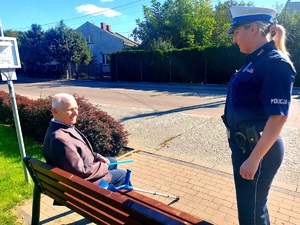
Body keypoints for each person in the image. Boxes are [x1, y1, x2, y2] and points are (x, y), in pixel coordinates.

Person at [222, 6, 296, 225]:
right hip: (245, 147)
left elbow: (278, 118)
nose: (234, 39)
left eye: (236, 32)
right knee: (249, 210)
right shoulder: (254, 61)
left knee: (252, 214)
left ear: (253, 28)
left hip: (258, 151)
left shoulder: (274, 64)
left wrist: (254, 160)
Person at [42, 93, 129, 187]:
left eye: (76, 108)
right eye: (70, 110)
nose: (76, 113)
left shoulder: (61, 126)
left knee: (111, 160)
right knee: (122, 175)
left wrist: (97, 156)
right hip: (82, 185)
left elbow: (79, 151)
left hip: (83, 169)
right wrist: (102, 166)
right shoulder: (60, 139)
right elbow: (80, 172)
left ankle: (111, 194)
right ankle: (125, 201)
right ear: (54, 111)